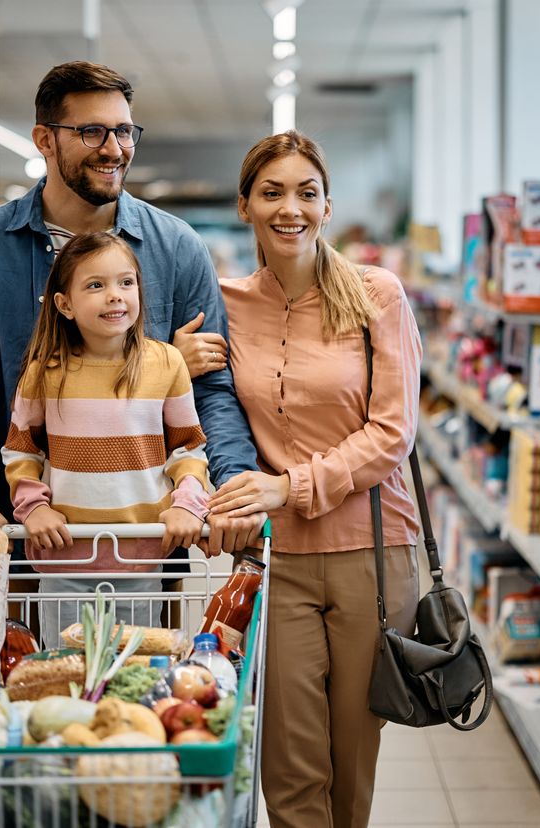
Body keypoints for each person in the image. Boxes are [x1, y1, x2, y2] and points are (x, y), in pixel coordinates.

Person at [0, 61, 263, 554]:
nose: (114, 148)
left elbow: (211, 390)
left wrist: (232, 486)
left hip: (146, 541)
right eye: (91, 131)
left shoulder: (174, 247)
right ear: (44, 139)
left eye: (124, 131)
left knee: (145, 638)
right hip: (16, 537)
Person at [208, 131, 423, 828]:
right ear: (245, 206)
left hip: (374, 555)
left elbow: (393, 433)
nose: (289, 208)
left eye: (306, 193)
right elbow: (187, 401)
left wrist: (288, 487)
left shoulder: (376, 295)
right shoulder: (225, 303)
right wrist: (170, 360)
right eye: (271, 192)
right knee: (290, 764)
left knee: (352, 760)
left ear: (328, 206)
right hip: (280, 561)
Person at [3, 232, 208, 631]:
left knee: (135, 676)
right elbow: (21, 450)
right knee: (68, 675)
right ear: (64, 304)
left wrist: (187, 504)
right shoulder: (44, 372)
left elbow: (188, 449)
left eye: (126, 282)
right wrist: (34, 507)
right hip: (65, 558)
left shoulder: (166, 363)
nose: (115, 295)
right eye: (95, 285)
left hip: (143, 558)